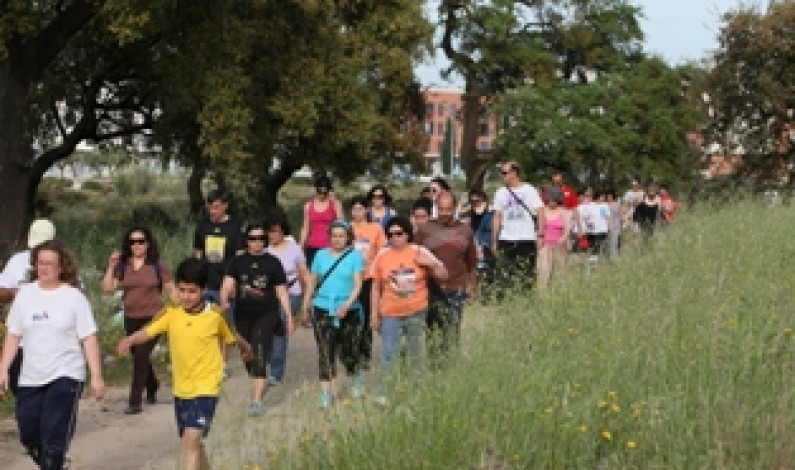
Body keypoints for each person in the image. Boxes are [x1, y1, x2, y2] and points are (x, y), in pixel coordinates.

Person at [117, 258, 252, 470]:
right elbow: (149, 330)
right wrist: (130, 340)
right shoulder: (171, 313)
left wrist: (246, 349)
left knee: (191, 441)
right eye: (182, 290)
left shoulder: (215, 315)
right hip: (181, 388)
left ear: (203, 290)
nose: (186, 296)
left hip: (207, 386)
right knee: (192, 444)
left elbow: (232, 336)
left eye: (192, 291)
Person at [0, 239, 105, 470]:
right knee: (29, 434)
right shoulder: (25, 295)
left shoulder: (74, 297)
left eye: (49, 263)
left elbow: (88, 338)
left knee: (54, 436)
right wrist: (3, 369)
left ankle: (54, 461)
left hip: (66, 374)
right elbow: (13, 335)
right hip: (31, 376)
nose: (44, 268)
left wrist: (96, 376)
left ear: (61, 267)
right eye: (40, 263)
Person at [220, 223, 295, 415]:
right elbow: (227, 284)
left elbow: (281, 290)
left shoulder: (273, 262)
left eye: (261, 238)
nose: (257, 242)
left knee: (260, 348)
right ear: (247, 241)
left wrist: (288, 316)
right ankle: (258, 375)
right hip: (243, 314)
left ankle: (256, 401)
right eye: (253, 238)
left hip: (267, 313)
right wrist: (224, 299)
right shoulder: (237, 262)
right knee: (248, 354)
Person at [370, 217, 447, 404]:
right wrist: (374, 314)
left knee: (415, 352)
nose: (395, 238)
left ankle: (418, 392)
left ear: (407, 234)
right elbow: (376, 286)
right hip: (390, 312)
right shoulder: (382, 255)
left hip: (416, 310)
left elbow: (444, 276)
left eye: (399, 233)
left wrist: (431, 264)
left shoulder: (420, 251)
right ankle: (385, 393)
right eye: (390, 235)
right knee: (389, 353)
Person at [100, 227, 175, 415]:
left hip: (154, 318)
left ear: (148, 243)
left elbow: (171, 290)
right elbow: (108, 288)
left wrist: (186, 308)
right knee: (139, 356)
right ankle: (152, 384)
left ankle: (135, 401)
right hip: (131, 318)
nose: (137, 245)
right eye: (133, 241)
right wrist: (111, 266)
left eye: (141, 241)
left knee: (141, 356)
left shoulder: (158, 265)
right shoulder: (123, 265)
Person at [301, 220, 366, 407]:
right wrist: (305, 306)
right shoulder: (320, 255)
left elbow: (358, 286)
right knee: (325, 350)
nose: (337, 239)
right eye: (334, 236)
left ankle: (356, 379)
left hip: (348, 308)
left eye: (341, 236)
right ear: (329, 237)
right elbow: (312, 282)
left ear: (348, 238)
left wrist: (347, 305)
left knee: (349, 349)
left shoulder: (355, 257)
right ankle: (325, 392)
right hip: (322, 307)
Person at [0, 219, 56, 398]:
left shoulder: (62, 262)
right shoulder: (17, 261)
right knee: (20, 389)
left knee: (49, 391)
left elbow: (79, 292)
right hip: (22, 339)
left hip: (52, 339)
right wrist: (15, 292)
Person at [415, 192, 477, 354]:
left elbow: (471, 262)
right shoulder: (424, 230)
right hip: (431, 288)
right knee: (433, 331)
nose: (444, 213)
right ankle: (434, 364)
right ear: (436, 208)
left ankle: (451, 363)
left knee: (452, 330)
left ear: (455, 208)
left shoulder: (465, 231)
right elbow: (414, 256)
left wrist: (473, 287)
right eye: (441, 209)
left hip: (456, 287)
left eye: (448, 209)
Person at [265, 212, 308, 385]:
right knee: (267, 328)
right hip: (269, 295)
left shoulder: (295, 249)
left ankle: (276, 371)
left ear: (283, 231)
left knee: (280, 329)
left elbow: (303, 273)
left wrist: (306, 299)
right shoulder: (265, 250)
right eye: (269, 231)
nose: (272, 235)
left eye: (275, 231)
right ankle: (269, 357)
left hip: (292, 292)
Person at [349, 196, 387, 374]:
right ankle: (350, 353)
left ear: (366, 210)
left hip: (368, 277)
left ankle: (365, 355)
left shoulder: (375, 228)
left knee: (365, 318)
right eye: (354, 209)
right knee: (350, 317)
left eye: (360, 209)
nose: (357, 212)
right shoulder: (347, 228)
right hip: (350, 278)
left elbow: (382, 252)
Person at [491, 161, 544, 283]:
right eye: (501, 173)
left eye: (504, 173)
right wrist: (494, 241)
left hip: (526, 238)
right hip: (506, 238)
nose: (502, 176)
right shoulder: (500, 192)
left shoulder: (530, 190)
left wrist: (540, 234)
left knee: (527, 275)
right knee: (504, 276)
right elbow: (497, 216)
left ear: (514, 173)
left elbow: (540, 212)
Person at [194, 189, 242, 305]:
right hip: (207, 283)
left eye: (216, 207)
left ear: (225, 206)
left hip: (226, 283)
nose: (212, 211)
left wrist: (235, 282)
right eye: (210, 207)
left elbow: (239, 256)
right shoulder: (203, 225)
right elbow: (198, 253)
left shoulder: (235, 227)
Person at [299, 175, 344, 267]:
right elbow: (305, 228)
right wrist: (300, 247)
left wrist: (335, 203)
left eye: (325, 193)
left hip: (330, 246)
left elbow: (342, 224)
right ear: (316, 190)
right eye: (320, 192)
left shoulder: (335, 204)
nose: (322, 195)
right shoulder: (308, 206)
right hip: (313, 246)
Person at [536, 187, 574, 288]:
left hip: (559, 246)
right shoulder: (542, 211)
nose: (552, 203)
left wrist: (563, 238)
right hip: (545, 245)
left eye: (554, 200)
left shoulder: (564, 212)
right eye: (550, 200)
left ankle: (558, 292)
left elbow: (567, 229)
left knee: (559, 272)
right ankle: (542, 292)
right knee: (544, 271)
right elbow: (539, 227)